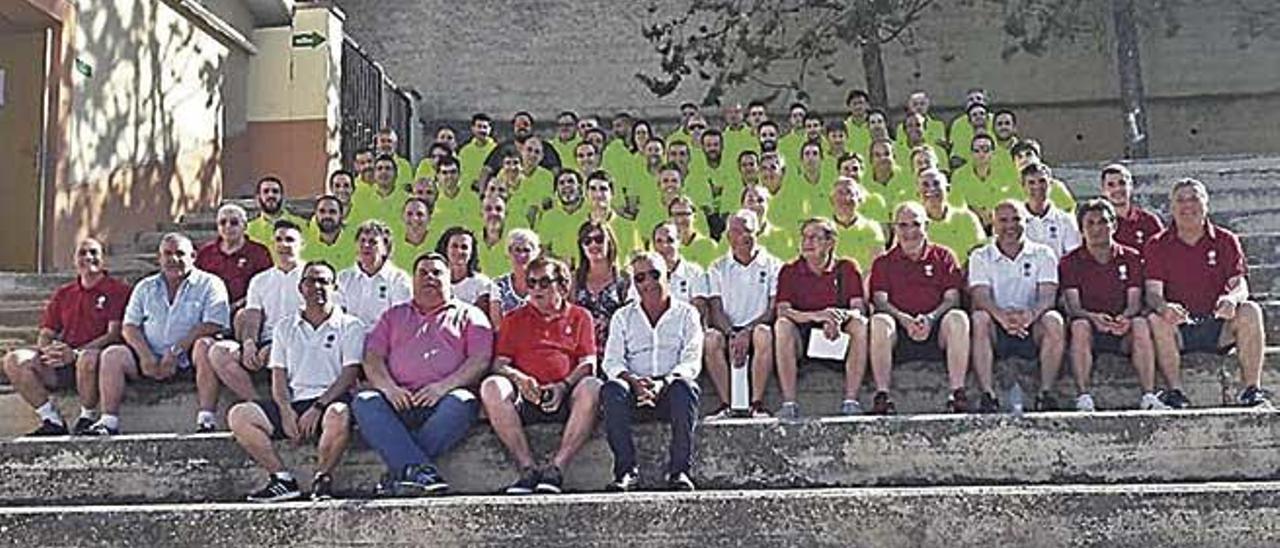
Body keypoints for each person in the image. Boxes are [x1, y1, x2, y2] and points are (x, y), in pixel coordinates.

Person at [352, 253, 494, 496]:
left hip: (446, 403)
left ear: (450, 279)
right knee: (365, 402)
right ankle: (420, 472)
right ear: (413, 280)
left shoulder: (471, 316)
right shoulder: (393, 316)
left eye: (437, 272)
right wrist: (389, 389)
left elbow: (480, 360)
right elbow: (372, 358)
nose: (430, 277)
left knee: (464, 401)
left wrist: (442, 387)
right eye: (423, 273)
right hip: (398, 402)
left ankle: (402, 471)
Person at [227, 260, 362, 502]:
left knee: (339, 413)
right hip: (295, 402)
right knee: (239, 415)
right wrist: (286, 411)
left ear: (335, 287)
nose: (317, 286)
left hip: (329, 402)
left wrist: (318, 407)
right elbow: (278, 375)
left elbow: (349, 374)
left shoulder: (351, 326)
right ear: (301, 288)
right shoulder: (284, 327)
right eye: (311, 281)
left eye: (324, 281)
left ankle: (323, 479)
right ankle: (282, 480)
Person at [86, 233, 230, 435]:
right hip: (148, 357)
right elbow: (130, 326)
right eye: (167, 254)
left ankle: (206, 419)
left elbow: (213, 324)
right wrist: (145, 356)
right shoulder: (145, 287)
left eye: (180, 253)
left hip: (188, 357)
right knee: (112, 354)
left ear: (194, 256)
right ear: (159, 258)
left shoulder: (210, 284)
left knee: (205, 346)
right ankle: (108, 421)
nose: (173, 259)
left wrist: (175, 352)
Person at [481, 256, 601, 495]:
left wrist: (563, 386)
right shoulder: (513, 319)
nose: (536, 289)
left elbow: (588, 362)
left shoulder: (580, 316)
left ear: (563, 285)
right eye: (531, 282)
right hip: (526, 395)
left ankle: (556, 469)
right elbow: (500, 363)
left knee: (593, 386)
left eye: (544, 282)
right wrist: (519, 379)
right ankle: (528, 469)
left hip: (566, 394)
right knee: (492, 385)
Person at [1145, 178, 1268, 407]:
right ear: (1171, 207)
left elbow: (1240, 284)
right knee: (1155, 318)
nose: (1187, 205)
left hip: (1218, 324)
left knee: (1251, 309)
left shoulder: (1226, 240)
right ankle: (1175, 392)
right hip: (1179, 327)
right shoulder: (1157, 244)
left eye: (1194, 198)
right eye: (1180, 200)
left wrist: (1232, 299)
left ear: (1206, 204)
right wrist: (1164, 307)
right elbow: (1153, 293)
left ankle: (1252, 389)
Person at [3, 238, 131, 435]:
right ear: (74, 260)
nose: (88, 257)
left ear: (103, 259)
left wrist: (76, 352)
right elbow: (46, 332)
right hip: (63, 361)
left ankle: (87, 417)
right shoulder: (64, 293)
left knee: (87, 358)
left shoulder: (118, 290)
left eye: (94, 253)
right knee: (14, 360)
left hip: (95, 362)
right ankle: (51, 419)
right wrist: (48, 351)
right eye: (82, 253)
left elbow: (113, 334)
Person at [600, 251, 704, 492]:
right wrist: (634, 382)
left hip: (670, 391)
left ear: (667, 275)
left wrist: (663, 383)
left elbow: (691, 361)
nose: (648, 283)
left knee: (685, 387)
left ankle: (679, 471)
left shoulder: (687, 314)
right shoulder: (622, 316)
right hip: (634, 391)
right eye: (640, 278)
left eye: (654, 275)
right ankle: (626, 472)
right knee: (612, 389)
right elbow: (612, 362)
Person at [193, 220, 306, 431]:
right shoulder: (260, 280)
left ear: (302, 244)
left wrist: (276, 346)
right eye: (279, 240)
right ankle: (259, 404)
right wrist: (249, 343)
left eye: (290, 240)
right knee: (219, 352)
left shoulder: (310, 276)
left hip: (300, 343)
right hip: (264, 342)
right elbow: (253, 315)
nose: (283, 245)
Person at [1059, 199, 1168, 412]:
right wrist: (1094, 318)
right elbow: (1073, 306)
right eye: (1090, 223)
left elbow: (1135, 301)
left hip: (1122, 327)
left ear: (1114, 226)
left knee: (1140, 324)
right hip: (1090, 328)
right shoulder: (1069, 262)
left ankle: (1149, 395)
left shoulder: (1132, 257)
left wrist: (1125, 318)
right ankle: (1083, 396)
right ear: (1081, 229)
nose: (1097, 228)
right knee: (1079, 326)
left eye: (1103, 222)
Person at [868, 203, 972, 413]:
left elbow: (952, 298)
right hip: (899, 331)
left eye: (916, 224)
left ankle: (958, 393)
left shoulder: (944, 257)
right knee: (879, 321)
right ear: (894, 229)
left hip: (936, 329)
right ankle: (882, 395)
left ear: (927, 226)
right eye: (903, 225)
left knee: (958, 318)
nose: (909, 232)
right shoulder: (883, 262)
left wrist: (931, 318)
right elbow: (880, 300)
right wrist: (905, 320)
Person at [968, 200, 1066, 412]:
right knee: (979, 318)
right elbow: (980, 295)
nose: (1010, 225)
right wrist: (1001, 316)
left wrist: (1030, 315)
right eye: (1003, 220)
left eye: (1016, 219)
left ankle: (1046, 393)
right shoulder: (980, 255)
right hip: (997, 325)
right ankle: (988, 394)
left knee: (1054, 320)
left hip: (1032, 324)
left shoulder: (1044, 253)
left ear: (1025, 222)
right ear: (993, 224)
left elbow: (1048, 295)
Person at [770, 218, 869, 418]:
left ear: (830, 242)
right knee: (782, 325)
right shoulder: (790, 271)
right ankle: (789, 403)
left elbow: (858, 308)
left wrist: (839, 317)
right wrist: (818, 316)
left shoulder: (847, 268)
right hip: (804, 337)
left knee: (859, 324)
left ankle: (851, 401)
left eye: (814, 238)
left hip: (838, 336)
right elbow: (783, 310)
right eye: (804, 237)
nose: (807, 242)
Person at [704, 209, 782, 419]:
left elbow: (773, 307)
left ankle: (756, 404)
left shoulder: (774, 265)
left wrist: (747, 332)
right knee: (710, 340)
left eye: (748, 230)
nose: (743, 236)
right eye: (737, 231)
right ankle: (726, 404)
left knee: (764, 335)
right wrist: (731, 334)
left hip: (758, 326)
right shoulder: (717, 267)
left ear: (758, 232)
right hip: (728, 328)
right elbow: (715, 308)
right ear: (728, 236)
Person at [336, 220, 413, 328]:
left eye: (373, 242)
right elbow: (337, 317)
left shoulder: (399, 279)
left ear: (385, 249)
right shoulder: (343, 278)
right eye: (362, 241)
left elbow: (401, 319)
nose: (366, 245)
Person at [195, 203, 272, 309]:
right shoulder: (205, 253)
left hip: (247, 308)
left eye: (234, 222)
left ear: (245, 226)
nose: (228, 226)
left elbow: (266, 286)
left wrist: (237, 305)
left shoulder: (259, 252)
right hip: (210, 308)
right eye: (223, 222)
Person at [572, 221, 631, 359]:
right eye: (587, 241)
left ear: (609, 242)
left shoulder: (624, 279)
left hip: (616, 352)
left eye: (599, 239)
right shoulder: (574, 279)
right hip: (582, 353)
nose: (593, 245)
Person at [918, 168, 986, 266]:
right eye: (925, 185)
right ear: (918, 192)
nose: (931, 189)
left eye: (936, 184)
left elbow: (980, 253)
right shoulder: (913, 224)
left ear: (948, 190)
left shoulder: (967, 218)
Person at [1100, 163, 1163, 253]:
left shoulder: (1149, 221)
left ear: (1131, 186)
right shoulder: (1099, 224)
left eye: (1122, 183)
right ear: (1103, 190)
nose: (1117, 189)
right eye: (1111, 185)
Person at [829, 175, 887, 271]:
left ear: (859, 200)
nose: (846, 198)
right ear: (831, 199)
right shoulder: (824, 230)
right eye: (840, 193)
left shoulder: (872, 228)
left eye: (850, 193)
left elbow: (878, 266)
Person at [434, 226, 494, 316]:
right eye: (454, 246)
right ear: (445, 249)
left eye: (464, 247)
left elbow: (481, 318)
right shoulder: (433, 281)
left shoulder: (482, 284)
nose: (459, 251)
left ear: (471, 252)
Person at [490, 229, 542, 319]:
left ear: (535, 254)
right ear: (509, 252)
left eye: (526, 250)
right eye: (517, 250)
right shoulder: (498, 285)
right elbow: (497, 323)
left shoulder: (544, 285)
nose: (522, 255)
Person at [537, 169, 590, 258]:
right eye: (561, 183)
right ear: (556, 189)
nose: (566, 186)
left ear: (580, 187)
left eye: (571, 181)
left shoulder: (592, 213)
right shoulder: (549, 217)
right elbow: (543, 250)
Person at [245, 176, 306, 249]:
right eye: (266, 191)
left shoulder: (301, 224)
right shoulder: (249, 230)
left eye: (275, 191)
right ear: (258, 197)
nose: (271, 195)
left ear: (282, 196)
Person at [302, 195, 356, 269]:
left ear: (341, 215)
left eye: (332, 212)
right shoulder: (304, 243)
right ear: (315, 214)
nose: (327, 216)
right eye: (322, 211)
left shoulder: (355, 242)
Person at [391, 198, 438, 272]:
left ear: (429, 218)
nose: (415, 218)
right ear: (402, 217)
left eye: (420, 214)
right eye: (409, 214)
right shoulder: (392, 245)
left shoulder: (438, 242)